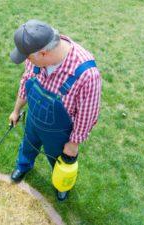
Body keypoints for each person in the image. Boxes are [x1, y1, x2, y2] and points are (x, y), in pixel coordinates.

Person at [9, 19, 101, 201]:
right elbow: (25, 81)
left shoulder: (86, 74)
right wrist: (16, 110)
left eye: (27, 57)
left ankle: (61, 183)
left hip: (59, 134)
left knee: (57, 159)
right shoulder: (35, 56)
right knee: (28, 146)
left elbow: (87, 115)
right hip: (33, 121)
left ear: (43, 53)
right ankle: (24, 165)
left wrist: (73, 144)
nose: (26, 61)